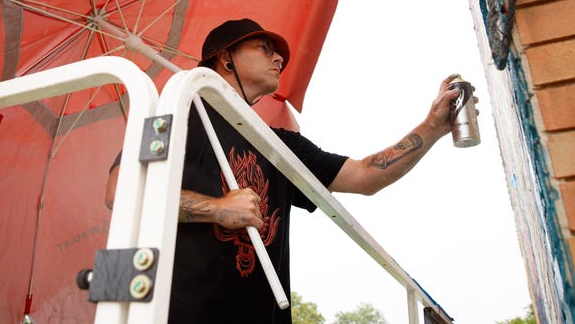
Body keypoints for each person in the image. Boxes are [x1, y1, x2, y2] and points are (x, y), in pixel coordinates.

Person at [105, 18, 464, 324]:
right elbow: (118, 191)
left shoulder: (280, 146)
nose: (278, 57)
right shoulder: (178, 114)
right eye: (264, 47)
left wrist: (432, 127)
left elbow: (365, 176)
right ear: (225, 58)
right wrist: (217, 208)